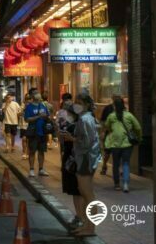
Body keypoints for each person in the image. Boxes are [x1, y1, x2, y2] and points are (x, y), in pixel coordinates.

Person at [68, 93, 102, 237]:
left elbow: (86, 142)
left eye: (79, 102)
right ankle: (88, 226)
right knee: (85, 192)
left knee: (87, 194)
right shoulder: (86, 118)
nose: (76, 105)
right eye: (76, 102)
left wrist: (73, 139)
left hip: (86, 159)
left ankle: (90, 228)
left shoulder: (85, 119)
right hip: (86, 158)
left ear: (86, 104)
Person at [56, 93, 83, 231]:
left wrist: (71, 139)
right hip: (73, 159)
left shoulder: (79, 125)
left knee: (79, 190)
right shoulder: (74, 124)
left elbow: (86, 142)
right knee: (76, 190)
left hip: (76, 159)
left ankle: (81, 219)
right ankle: (79, 217)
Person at [105, 95, 142, 192]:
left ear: (114, 106)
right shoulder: (129, 115)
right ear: (123, 105)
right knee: (126, 163)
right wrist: (139, 137)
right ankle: (125, 184)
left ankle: (117, 184)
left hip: (115, 144)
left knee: (116, 164)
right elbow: (138, 128)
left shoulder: (111, 116)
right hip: (127, 144)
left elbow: (107, 127)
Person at [24, 88, 50, 177]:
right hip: (33, 132)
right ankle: (31, 169)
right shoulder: (29, 107)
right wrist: (38, 116)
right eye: (35, 93)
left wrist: (46, 117)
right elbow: (27, 119)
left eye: (38, 92)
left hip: (42, 132)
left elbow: (47, 116)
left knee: (41, 152)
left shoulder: (43, 105)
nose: (37, 94)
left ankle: (41, 169)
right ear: (31, 96)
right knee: (32, 151)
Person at [99, 100, 115, 175]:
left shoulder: (122, 110)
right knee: (107, 152)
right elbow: (102, 121)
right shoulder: (108, 108)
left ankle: (118, 168)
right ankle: (104, 166)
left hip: (117, 135)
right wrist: (102, 131)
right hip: (109, 134)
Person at [18, 94, 31, 160]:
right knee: (24, 139)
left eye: (29, 99)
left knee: (28, 140)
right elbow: (18, 114)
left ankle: (28, 153)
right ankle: (24, 153)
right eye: (27, 99)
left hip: (30, 125)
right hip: (23, 125)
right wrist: (23, 110)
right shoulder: (22, 105)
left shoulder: (32, 106)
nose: (28, 101)